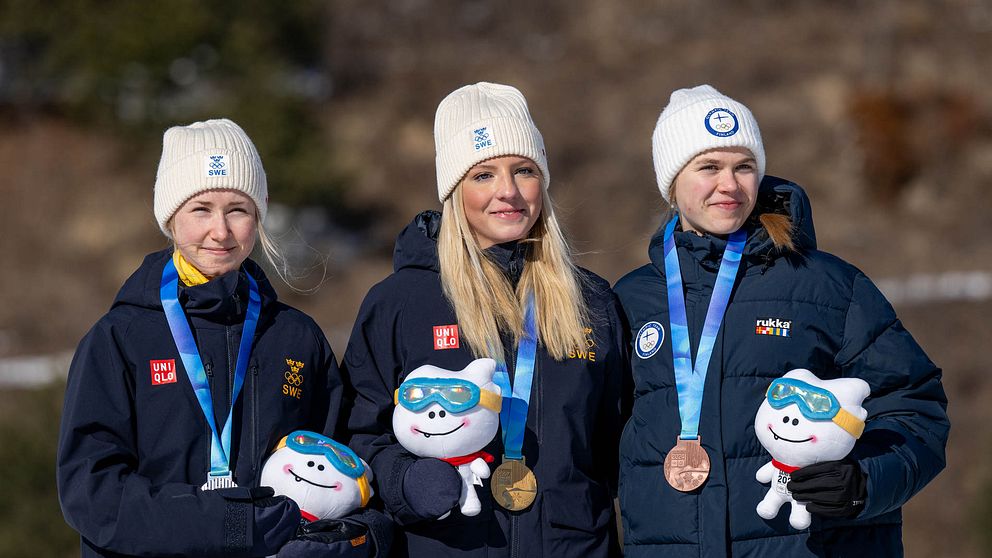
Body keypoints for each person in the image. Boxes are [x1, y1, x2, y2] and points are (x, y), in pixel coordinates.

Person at [614, 84, 949, 556]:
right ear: (672, 182)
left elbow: (916, 407)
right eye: (708, 167)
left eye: (744, 166)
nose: (729, 185)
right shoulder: (632, 299)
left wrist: (864, 481)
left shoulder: (829, 286)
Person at [341, 82, 627, 557]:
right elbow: (358, 437)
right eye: (483, 175)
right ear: (455, 189)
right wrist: (405, 480)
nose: (508, 193)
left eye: (524, 171)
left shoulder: (592, 300)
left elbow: (615, 448)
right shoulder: (400, 303)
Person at [57, 119, 347, 557]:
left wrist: (355, 538)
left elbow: (343, 465)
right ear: (170, 217)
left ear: (259, 216)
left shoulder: (295, 337)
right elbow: (91, 493)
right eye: (201, 209)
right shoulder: (119, 339)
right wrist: (226, 524)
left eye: (238, 209)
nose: (221, 231)